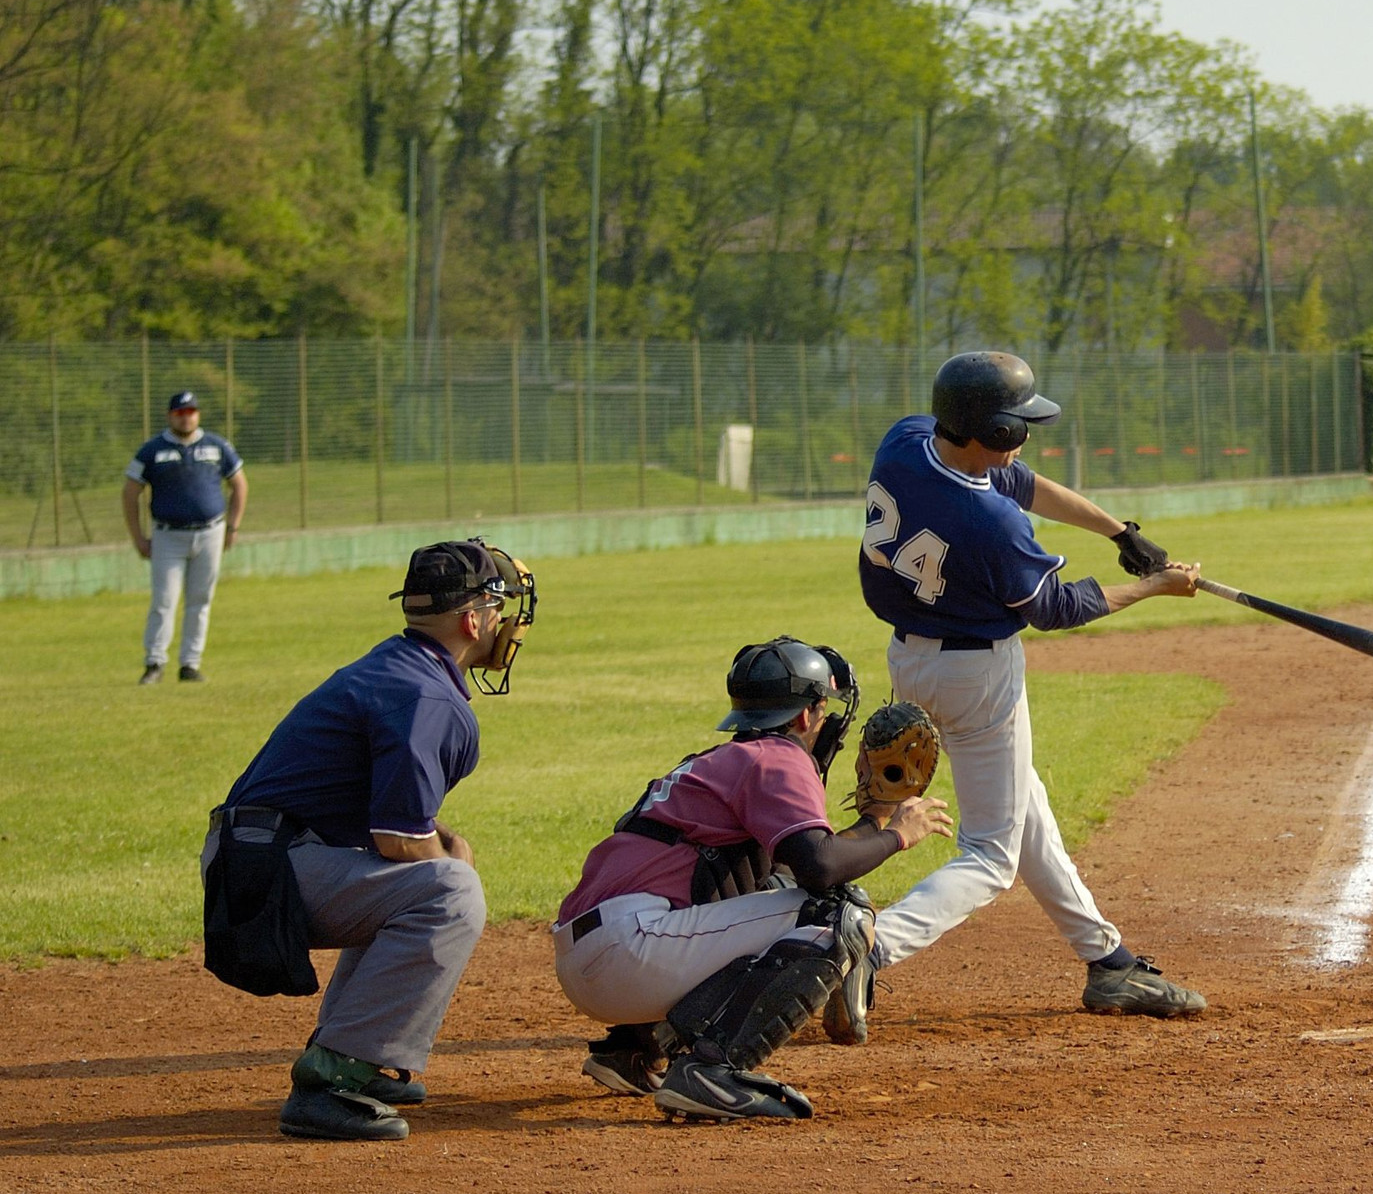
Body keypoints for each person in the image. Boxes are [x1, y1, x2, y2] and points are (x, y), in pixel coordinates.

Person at [853, 350, 1207, 1029]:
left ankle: (1110, 963)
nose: (1026, 434)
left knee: (1025, 812)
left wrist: (1118, 532)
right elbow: (1057, 608)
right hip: (977, 678)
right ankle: (866, 951)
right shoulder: (993, 525)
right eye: (1019, 423)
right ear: (996, 431)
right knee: (990, 855)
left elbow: (1013, 478)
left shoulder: (903, 441)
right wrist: (1154, 587)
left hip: (911, 660)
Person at [208, 538, 535, 1142]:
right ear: (471, 620)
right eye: (497, 608)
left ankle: (348, 1049)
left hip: (262, 853)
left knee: (422, 882)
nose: (505, 623)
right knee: (448, 891)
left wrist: (440, 843)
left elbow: (388, 819)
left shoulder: (402, 668)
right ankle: (333, 1078)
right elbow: (396, 839)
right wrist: (447, 857)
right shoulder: (427, 695)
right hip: (267, 867)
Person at [554, 639, 954, 1121]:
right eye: (824, 709)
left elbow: (797, 867)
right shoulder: (777, 758)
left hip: (600, 953)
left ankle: (637, 1048)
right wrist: (897, 835)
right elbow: (822, 868)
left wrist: (874, 820)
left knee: (775, 891)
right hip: (630, 951)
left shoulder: (727, 759)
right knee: (839, 916)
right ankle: (712, 1069)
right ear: (806, 715)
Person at [123, 389, 248, 684]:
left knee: (200, 600)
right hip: (168, 535)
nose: (186, 417)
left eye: (191, 412)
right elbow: (130, 492)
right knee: (164, 600)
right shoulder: (152, 450)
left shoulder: (216, 446)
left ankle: (190, 664)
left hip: (210, 532)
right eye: (180, 413)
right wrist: (138, 537)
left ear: (198, 414)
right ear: (170, 416)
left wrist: (233, 527)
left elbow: (240, 484)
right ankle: (154, 662)